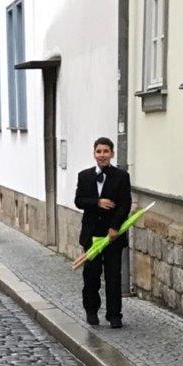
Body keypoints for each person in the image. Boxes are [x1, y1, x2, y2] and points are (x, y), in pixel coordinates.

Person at [74, 137, 131, 328]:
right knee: (91, 275)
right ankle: (91, 311)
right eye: (99, 151)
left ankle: (114, 315)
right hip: (91, 235)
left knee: (113, 277)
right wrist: (97, 202)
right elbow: (79, 201)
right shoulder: (84, 176)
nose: (102, 155)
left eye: (106, 151)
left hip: (112, 235)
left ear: (112, 154)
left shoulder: (121, 176)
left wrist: (115, 227)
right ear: (94, 154)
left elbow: (125, 204)